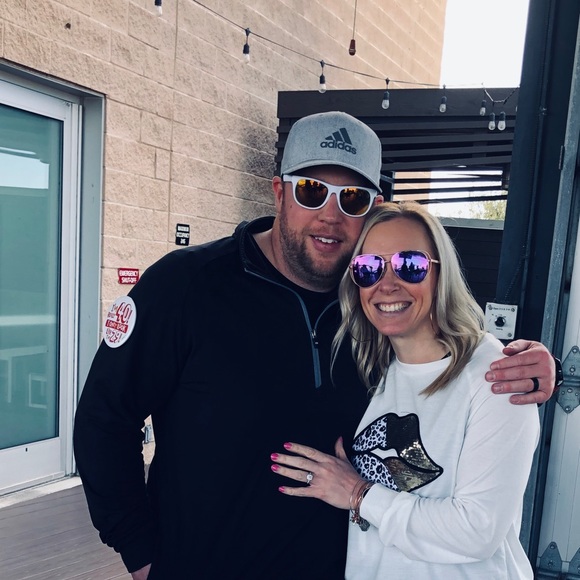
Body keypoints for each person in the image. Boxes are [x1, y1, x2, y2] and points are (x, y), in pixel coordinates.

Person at [73, 111, 555, 580]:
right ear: (279, 192)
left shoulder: (373, 309)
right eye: (311, 190)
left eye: (352, 198)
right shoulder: (187, 285)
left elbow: (445, 351)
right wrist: (139, 550)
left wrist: (532, 363)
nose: (330, 215)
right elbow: (104, 418)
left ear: (372, 208)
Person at [271, 201, 540, 579]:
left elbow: (477, 530)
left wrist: (358, 494)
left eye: (409, 265)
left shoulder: (497, 375)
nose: (387, 284)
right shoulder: (373, 371)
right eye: (369, 268)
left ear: (440, 274)